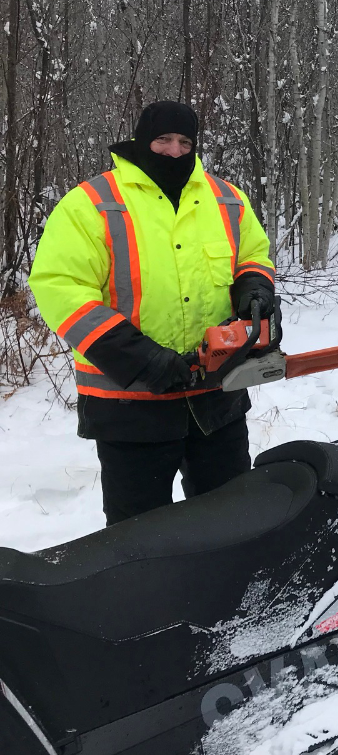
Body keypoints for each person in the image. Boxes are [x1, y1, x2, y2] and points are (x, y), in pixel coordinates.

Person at [29, 101, 277, 524]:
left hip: (216, 396)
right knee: (138, 536)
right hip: (131, 406)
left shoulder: (227, 198)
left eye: (185, 141)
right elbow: (60, 287)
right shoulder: (91, 203)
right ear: (143, 141)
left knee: (234, 520)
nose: (174, 151)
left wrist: (255, 288)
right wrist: (138, 358)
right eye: (163, 140)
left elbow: (252, 255)